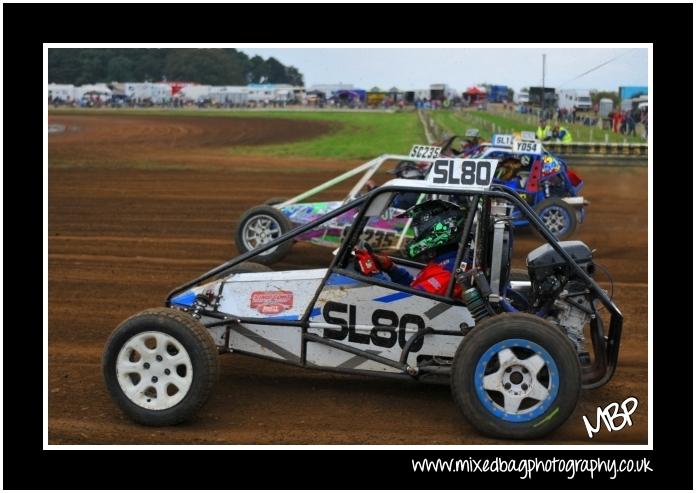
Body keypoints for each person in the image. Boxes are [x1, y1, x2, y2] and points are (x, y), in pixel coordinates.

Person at [354, 200, 468, 297]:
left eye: (418, 232)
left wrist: (374, 274)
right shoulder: (445, 261)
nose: (415, 237)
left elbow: (408, 303)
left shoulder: (448, 272)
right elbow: (414, 287)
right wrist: (391, 268)